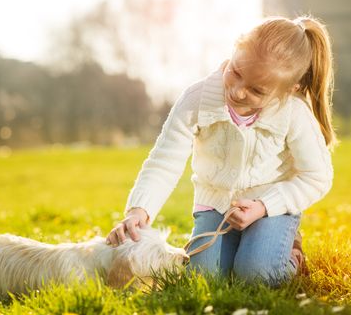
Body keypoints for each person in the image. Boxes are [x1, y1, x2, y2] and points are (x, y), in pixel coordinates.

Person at [106, 15, 336, 287]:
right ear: (234, 50)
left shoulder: (294, 113)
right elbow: (164, 161)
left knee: (256, 277)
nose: (238, 92)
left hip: (271, 209)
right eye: (236, 72)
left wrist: (263, 206)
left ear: (290, 89)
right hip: (215, 206)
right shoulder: (197, 99)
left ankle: (292, 255)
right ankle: (239, 246)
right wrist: (138, 211)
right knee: (203, 279)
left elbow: (317, 177)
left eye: (256, 90)